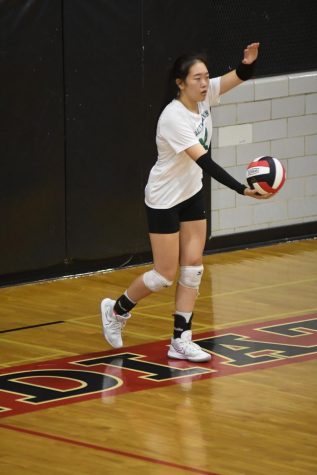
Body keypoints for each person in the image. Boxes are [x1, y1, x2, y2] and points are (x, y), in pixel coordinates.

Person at [101, 42, 271, 363]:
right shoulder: (173, 117)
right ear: (180, 83)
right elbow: (204, 161)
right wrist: (242, 189)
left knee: (193, 269)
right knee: (164, 275)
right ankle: (116, 309)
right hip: (165, 198)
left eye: (207, 76)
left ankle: (181, 340)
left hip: (191, 193)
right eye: (197, 78)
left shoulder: (206, 97)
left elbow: (240, 75)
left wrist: (248, 62)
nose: (205, 83)